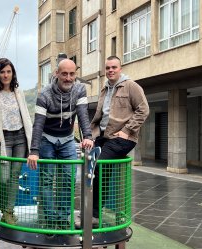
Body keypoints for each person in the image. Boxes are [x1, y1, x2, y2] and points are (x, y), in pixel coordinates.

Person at [27, 59, 93, 228]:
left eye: (72, 74)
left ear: (75, 74)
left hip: (68, 139)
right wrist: (34, 150)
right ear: (57, 74)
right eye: (64, 73)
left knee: (68, 178)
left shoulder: (79, 89)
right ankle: (50, 219)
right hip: (46, 139)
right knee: (47, 180)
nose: (68, 78)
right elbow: (38, 123)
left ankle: (63, 219)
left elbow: (83, 115)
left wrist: (87, 136)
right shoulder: (45, 94)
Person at [90, 56, 150, 223]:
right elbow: (101, 115)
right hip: (103, 137)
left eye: (114, 67)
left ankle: (96, 214)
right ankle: (95, 213)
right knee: (97, 171)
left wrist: (127, 130)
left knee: (98, 167)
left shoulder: (131, 86)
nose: (110, 70)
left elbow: (143, 110)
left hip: (122, 137)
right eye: (108, 68)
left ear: (120, 68)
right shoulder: (105, 88)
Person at [0, 58, 33, 225]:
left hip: (20, 137)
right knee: (3, 177)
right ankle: (0, 207)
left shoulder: (17, 91)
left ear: (13, 73)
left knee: (14, 176)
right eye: (2, 72)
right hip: (2, 138)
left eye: (9, 71)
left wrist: (31, 138)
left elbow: (24, 113)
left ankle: (9, 212)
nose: (6, 75)